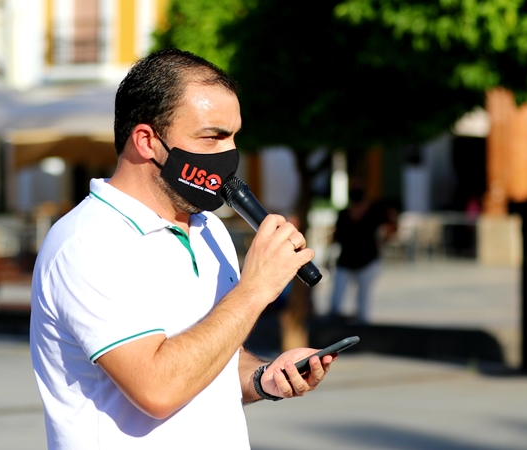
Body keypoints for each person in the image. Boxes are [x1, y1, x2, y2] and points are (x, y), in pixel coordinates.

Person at [30, 48, 336, 450]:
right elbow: (156, 388)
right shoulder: (88, 242)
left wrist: (263, 377)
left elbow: (213, 356)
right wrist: (256, 288)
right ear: (146, 141)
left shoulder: (208, 228)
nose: (228, 155)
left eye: (233, 136)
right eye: (212, 137)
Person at [328, 182, 397, 323]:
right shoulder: (344, 213)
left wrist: (383, 242)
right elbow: (336, 234)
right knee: (337, 297)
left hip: (368, 259)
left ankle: (362, 324)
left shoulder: (375, 211)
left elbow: (392, 225)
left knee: (363, 298)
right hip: (346, 259)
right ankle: (336, 322)